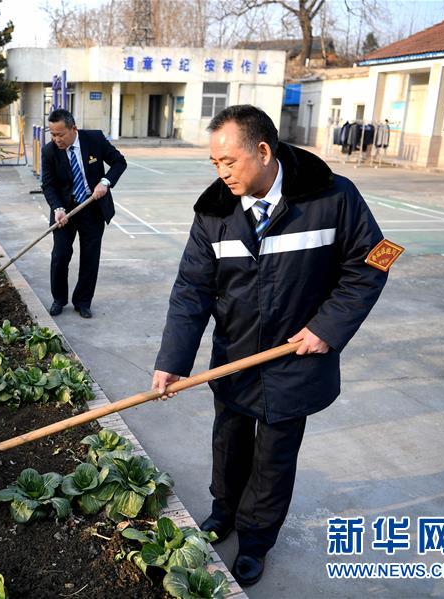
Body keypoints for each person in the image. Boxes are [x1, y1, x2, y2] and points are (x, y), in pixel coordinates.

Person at [151, 105, 389, 586]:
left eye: (229, 162)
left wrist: (329, 326)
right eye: (214, 164)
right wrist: (173, 361)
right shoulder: (215, 211)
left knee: (274, 457)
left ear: (263, 151)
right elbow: (191, 290)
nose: (221, 174)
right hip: (234, 357)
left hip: (296, 359)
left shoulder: (332, 196)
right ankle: (224, 513)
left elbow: (378, 260)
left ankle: (257, 539)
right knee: (230, 444)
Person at [41, 108, 127, 319]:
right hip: (65, 211)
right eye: (52, 134)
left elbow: (119, 162)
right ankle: (59, 299)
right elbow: (48, 185)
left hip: (93, 207)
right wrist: (58, 208)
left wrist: (105, 182)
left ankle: (83, 302)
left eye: (60, 134)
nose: (56, 139)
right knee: (60, 255)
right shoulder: (49, 151)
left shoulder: (95, 139)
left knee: (90, 257)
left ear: (74, 129)